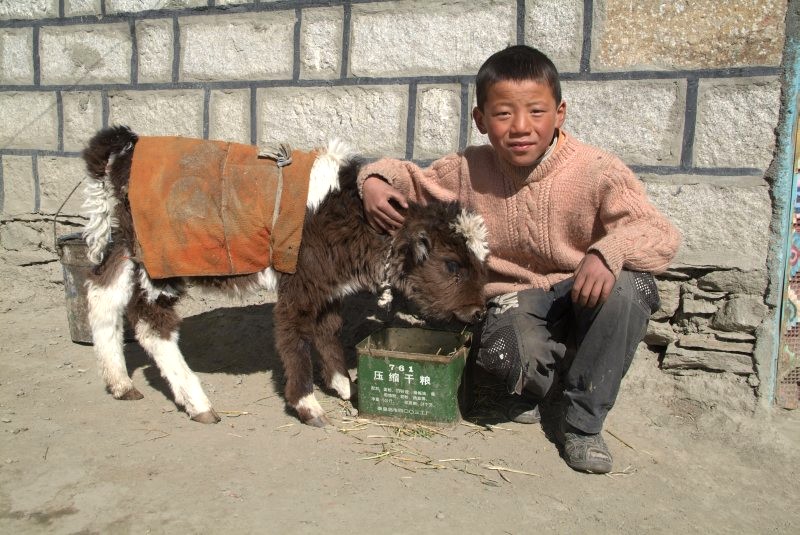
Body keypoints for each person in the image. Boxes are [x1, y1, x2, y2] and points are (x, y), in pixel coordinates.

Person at [358, 45, 680, 474]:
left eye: (536, 111)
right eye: (504, 114)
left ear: (560, 114)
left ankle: (583, 423)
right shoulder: (468, 169)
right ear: (481, 120)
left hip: (583, 295)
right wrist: (375, 181)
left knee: (632, 285)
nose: (521, 127)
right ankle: (535, 383)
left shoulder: (598, 169)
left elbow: (659, 233)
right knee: (503, 354)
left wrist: (609, 252)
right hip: (518, 300)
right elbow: (412, 180)